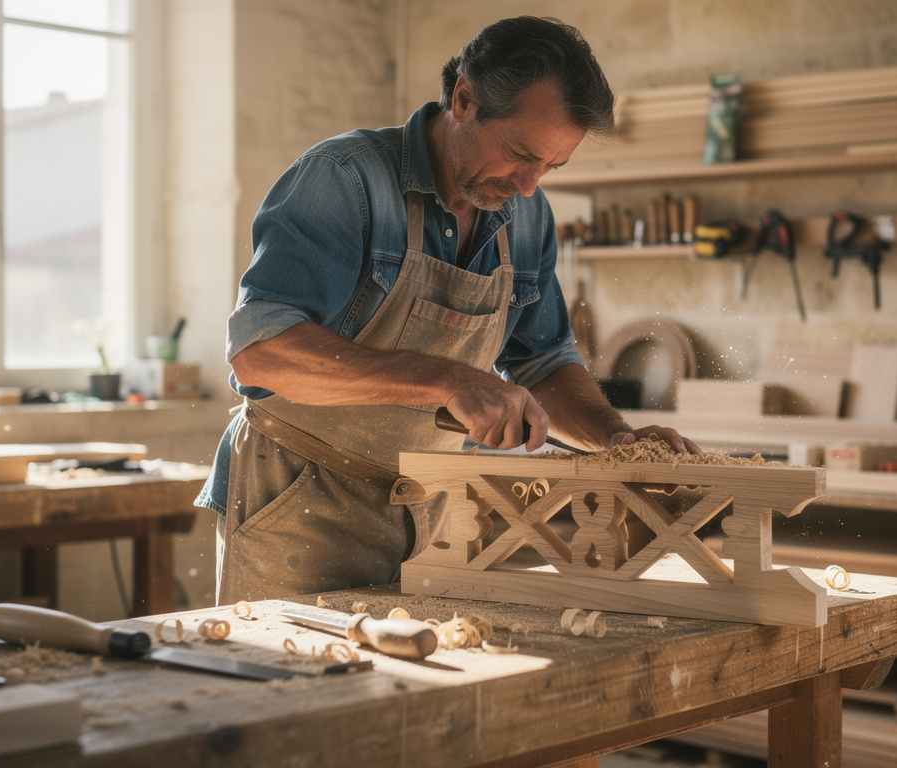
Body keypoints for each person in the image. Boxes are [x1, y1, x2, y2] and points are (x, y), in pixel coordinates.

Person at [194, 15, 700, 604]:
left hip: (432, 508)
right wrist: (446, 380)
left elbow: (542, 363)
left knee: (423, 690)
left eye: (551, 166)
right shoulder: (345, 180)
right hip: (302, 501)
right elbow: (261, 354)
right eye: (519, 153)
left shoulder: (527, 217)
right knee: (297, 689)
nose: (531, 184)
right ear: (464, 97)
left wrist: (616, 439)